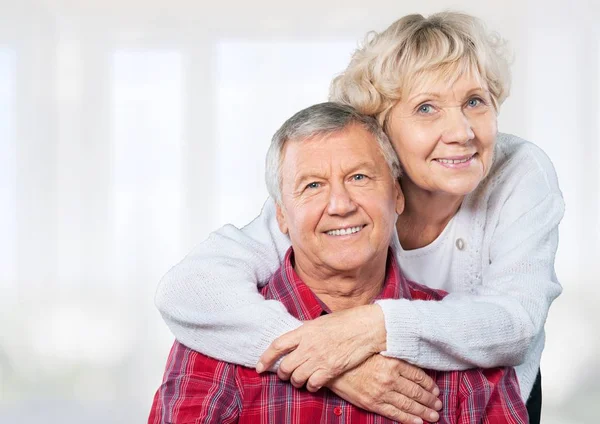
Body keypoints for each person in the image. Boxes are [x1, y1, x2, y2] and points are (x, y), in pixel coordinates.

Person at [155, 12, 564, 424]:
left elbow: (516, 323)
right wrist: (329, 360)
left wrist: (366, 329)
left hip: (498, 378)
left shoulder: (520, 172)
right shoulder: (333, 198)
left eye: (475, 101)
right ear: (379, 127)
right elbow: (186, 289)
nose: (461, 131)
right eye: (426, 108)